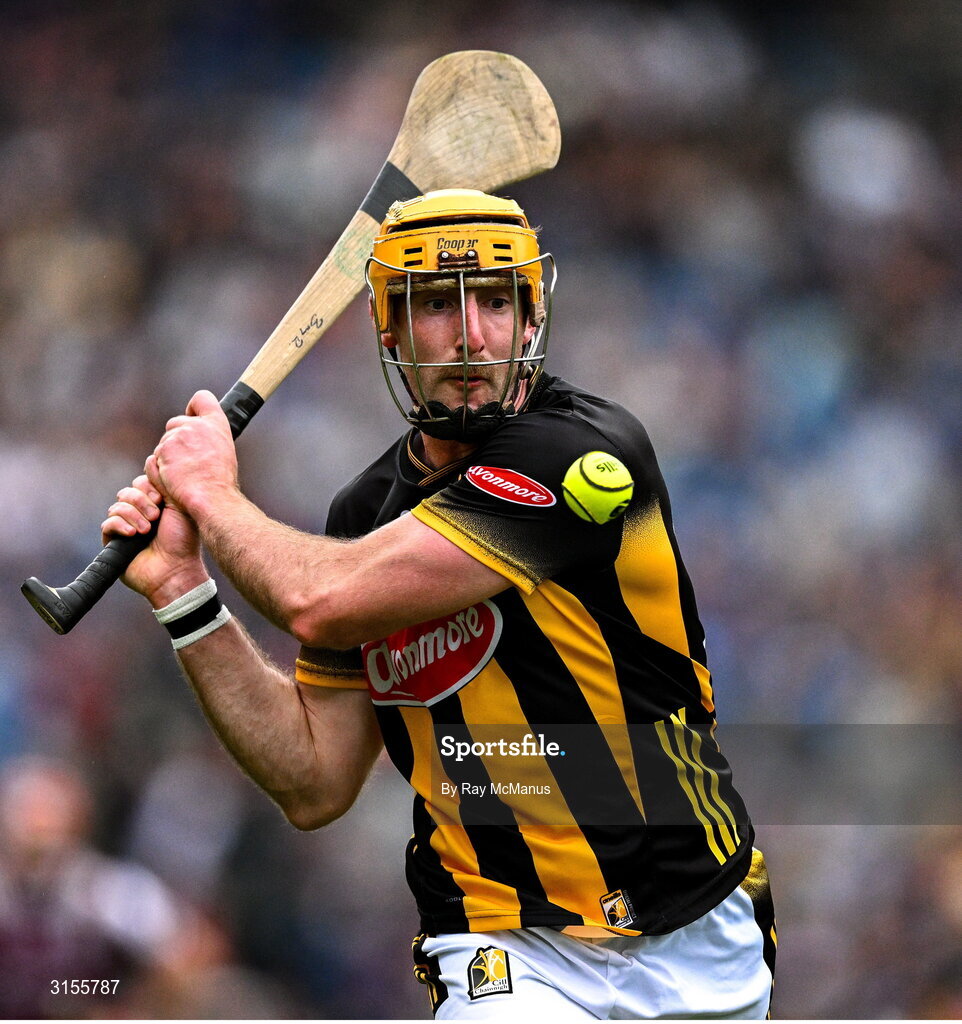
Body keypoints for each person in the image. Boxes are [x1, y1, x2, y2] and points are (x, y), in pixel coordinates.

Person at [103, 188, 776, 1019]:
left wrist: (212, 496)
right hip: (503, 942)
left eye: (497, 300)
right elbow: (312, 781)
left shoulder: (581, 454)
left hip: (698, 924)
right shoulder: (365, 516)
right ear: (389, 330)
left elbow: (319, 601)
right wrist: (182, 593)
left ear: (532, 320)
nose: (472, 333)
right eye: (435, 305)